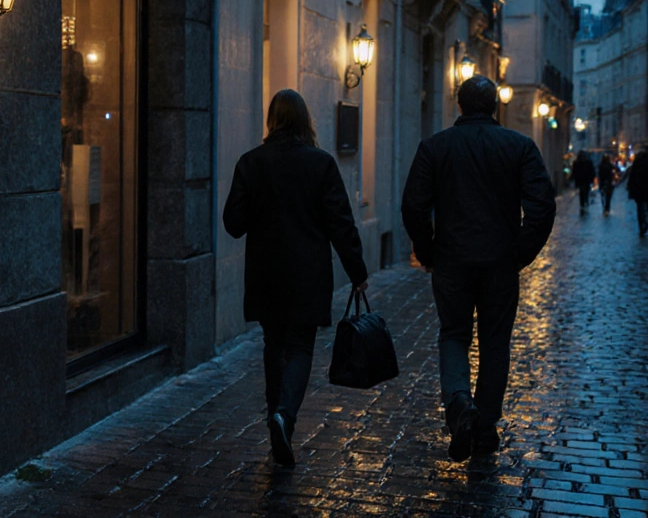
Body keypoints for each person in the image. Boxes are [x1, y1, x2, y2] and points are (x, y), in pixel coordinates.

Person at [401, 76, 555, 462]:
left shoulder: (435, 147)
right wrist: (519, 253)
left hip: (452, 259)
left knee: (453, 334)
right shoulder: (519, 146)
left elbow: (413, 207)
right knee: (495, 342)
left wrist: (429, 250)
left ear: (459, 105)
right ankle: (484, 424)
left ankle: (459, 404)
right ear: (494, 107)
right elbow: (541, 208)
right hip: (499, 262)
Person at [223, 89, 369, 467]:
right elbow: (341, 223)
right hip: (307, 272)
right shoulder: (320, 164)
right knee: (301, 346)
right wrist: (357, 271)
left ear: (272, 119)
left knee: (274, 343)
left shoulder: (251, 163)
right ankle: (284, 415)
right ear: (306, 120)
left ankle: (277, 419)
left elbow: (232, 224)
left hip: (266, 271)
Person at [628, 151, 648, 237]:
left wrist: (630, 187)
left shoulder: (636, 163)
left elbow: (632, 176)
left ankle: (642, 226)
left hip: (639, 189)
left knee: (640, 209)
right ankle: (645, 223)